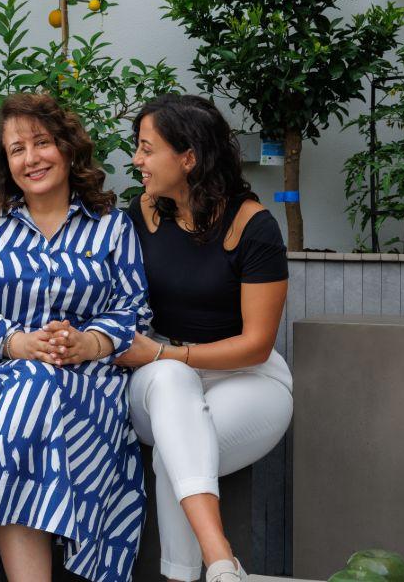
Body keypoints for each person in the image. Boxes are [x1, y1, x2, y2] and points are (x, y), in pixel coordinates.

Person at [0, 93, 151, 582]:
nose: (31, 158)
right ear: (6, 162)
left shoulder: (111, 226)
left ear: (68, 148)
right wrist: (16, 343)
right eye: (17, 149)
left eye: (42, 142)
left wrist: (89, 342)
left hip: (85, 385)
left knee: (32, 397)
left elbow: (133, 308)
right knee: (32, 386)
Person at [115, 93, 293, 582]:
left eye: (147, 148)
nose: (137, 160)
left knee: (177, 449)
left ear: (188, 157)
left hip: (248, 377)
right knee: (172, 382)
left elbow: (257, 344)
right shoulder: (143, 214)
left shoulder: (253, 226)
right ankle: (221, 560)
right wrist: (161, 355)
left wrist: (164, 351)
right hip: (157, 381)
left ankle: (196, 574)